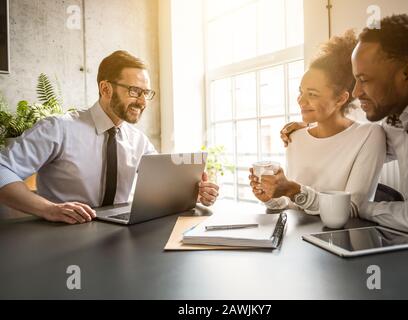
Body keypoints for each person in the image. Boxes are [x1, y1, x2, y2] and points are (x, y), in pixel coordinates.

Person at [0, 50, 219, 224]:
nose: (143, 102)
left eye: (146, 93)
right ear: (106, 89)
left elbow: (163, 186)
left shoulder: (138, 141)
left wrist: (194, 193)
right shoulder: (58, 128)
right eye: (134, 91)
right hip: (61, 236)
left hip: (118, 236)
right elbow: (2, 169)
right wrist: (49, 209)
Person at [281, 14, 408, 239]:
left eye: (365, 80)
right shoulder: (397, 121)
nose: (356, 92)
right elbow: (355, 141)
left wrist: (360, 206)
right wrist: (315, 129)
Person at [248, 31, 386, 217]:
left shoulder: (369, 135)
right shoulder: (295, 137)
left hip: (341, 241)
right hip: (297, 241)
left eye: (312, 94)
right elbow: (294, 206)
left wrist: (293, 190)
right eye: (301, 92)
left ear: (340, 99)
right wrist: (270, 197)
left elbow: (353, 209)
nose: (301, 101)